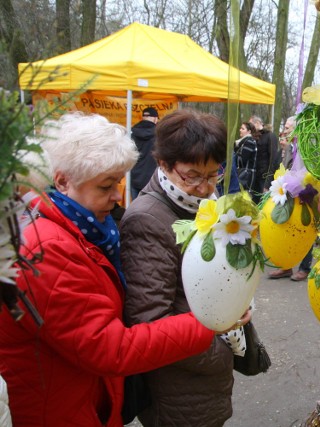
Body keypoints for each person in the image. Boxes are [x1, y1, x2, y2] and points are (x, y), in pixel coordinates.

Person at [0, 113, 242, 426]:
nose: (117, 196)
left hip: (83, 398)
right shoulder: (48, 250)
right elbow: (112, 347)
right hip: (61, 408)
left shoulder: (83, 230)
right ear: (62, 181)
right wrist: (213, 324)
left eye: (118, 183)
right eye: (105, 187)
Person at [119, 109, 250, 426]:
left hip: (204, 377)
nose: (205, 187)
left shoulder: (201, 202)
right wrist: (218, 339)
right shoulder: (146, 220)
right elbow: (149, 321)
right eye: (193, 176)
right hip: (179, 384)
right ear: (163, 163)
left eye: (213, 174)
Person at [268, 116, 313, 282]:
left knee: (304, 228)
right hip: (286, 192)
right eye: (285, 127)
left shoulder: (306, 145)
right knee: (286, 227)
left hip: (304, 192)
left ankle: (304, 268)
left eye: (288, 127)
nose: (285, 130)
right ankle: (286, 266)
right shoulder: (286, 146)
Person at [130, 107, 159, 200]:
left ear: (143, 118)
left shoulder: (132, 132)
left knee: (135, 207)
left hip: (134, 178)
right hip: (152, 180)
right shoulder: (160, 134)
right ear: (155, 119)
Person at [250, 115, 280, 203]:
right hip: (255, 178)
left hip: (265, 178)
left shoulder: (270, 136)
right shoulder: (254, 137)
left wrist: (267, 183)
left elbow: (273, 160)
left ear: (257, 123)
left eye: (251, 125)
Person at [235, 121, 259, 197]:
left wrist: (234, 155)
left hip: (246, 175)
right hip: (243, 173)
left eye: (243, 128)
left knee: (245, 198)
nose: (240, 130)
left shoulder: (249, 142)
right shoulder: (243, 142)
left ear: (249, 131)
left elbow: (242, 160)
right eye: (240, 128)